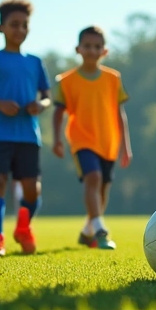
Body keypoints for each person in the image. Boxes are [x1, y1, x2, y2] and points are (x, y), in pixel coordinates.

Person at [0, 0, 51, 257]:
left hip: (29, 135)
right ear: (1, 28)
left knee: (32, 189)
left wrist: (40, 105)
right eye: (14, 24)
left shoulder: (35, 62)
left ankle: (23, 228)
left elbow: (47, 96)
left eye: (24, 25)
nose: (20, 30)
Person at [52, 26, 133, 250]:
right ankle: (100, 231)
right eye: (87, 46)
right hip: (81, 140)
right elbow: (58, 112)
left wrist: (126, 147)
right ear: (78, 49)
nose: (92, 50)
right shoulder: (67, 81)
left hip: (108, 142)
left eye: (97, 46)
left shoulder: (113, 78)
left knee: (103, 189)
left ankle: (87, 231)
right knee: (94, 178)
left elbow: (120, 114)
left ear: (104, 51)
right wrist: (57, 140)